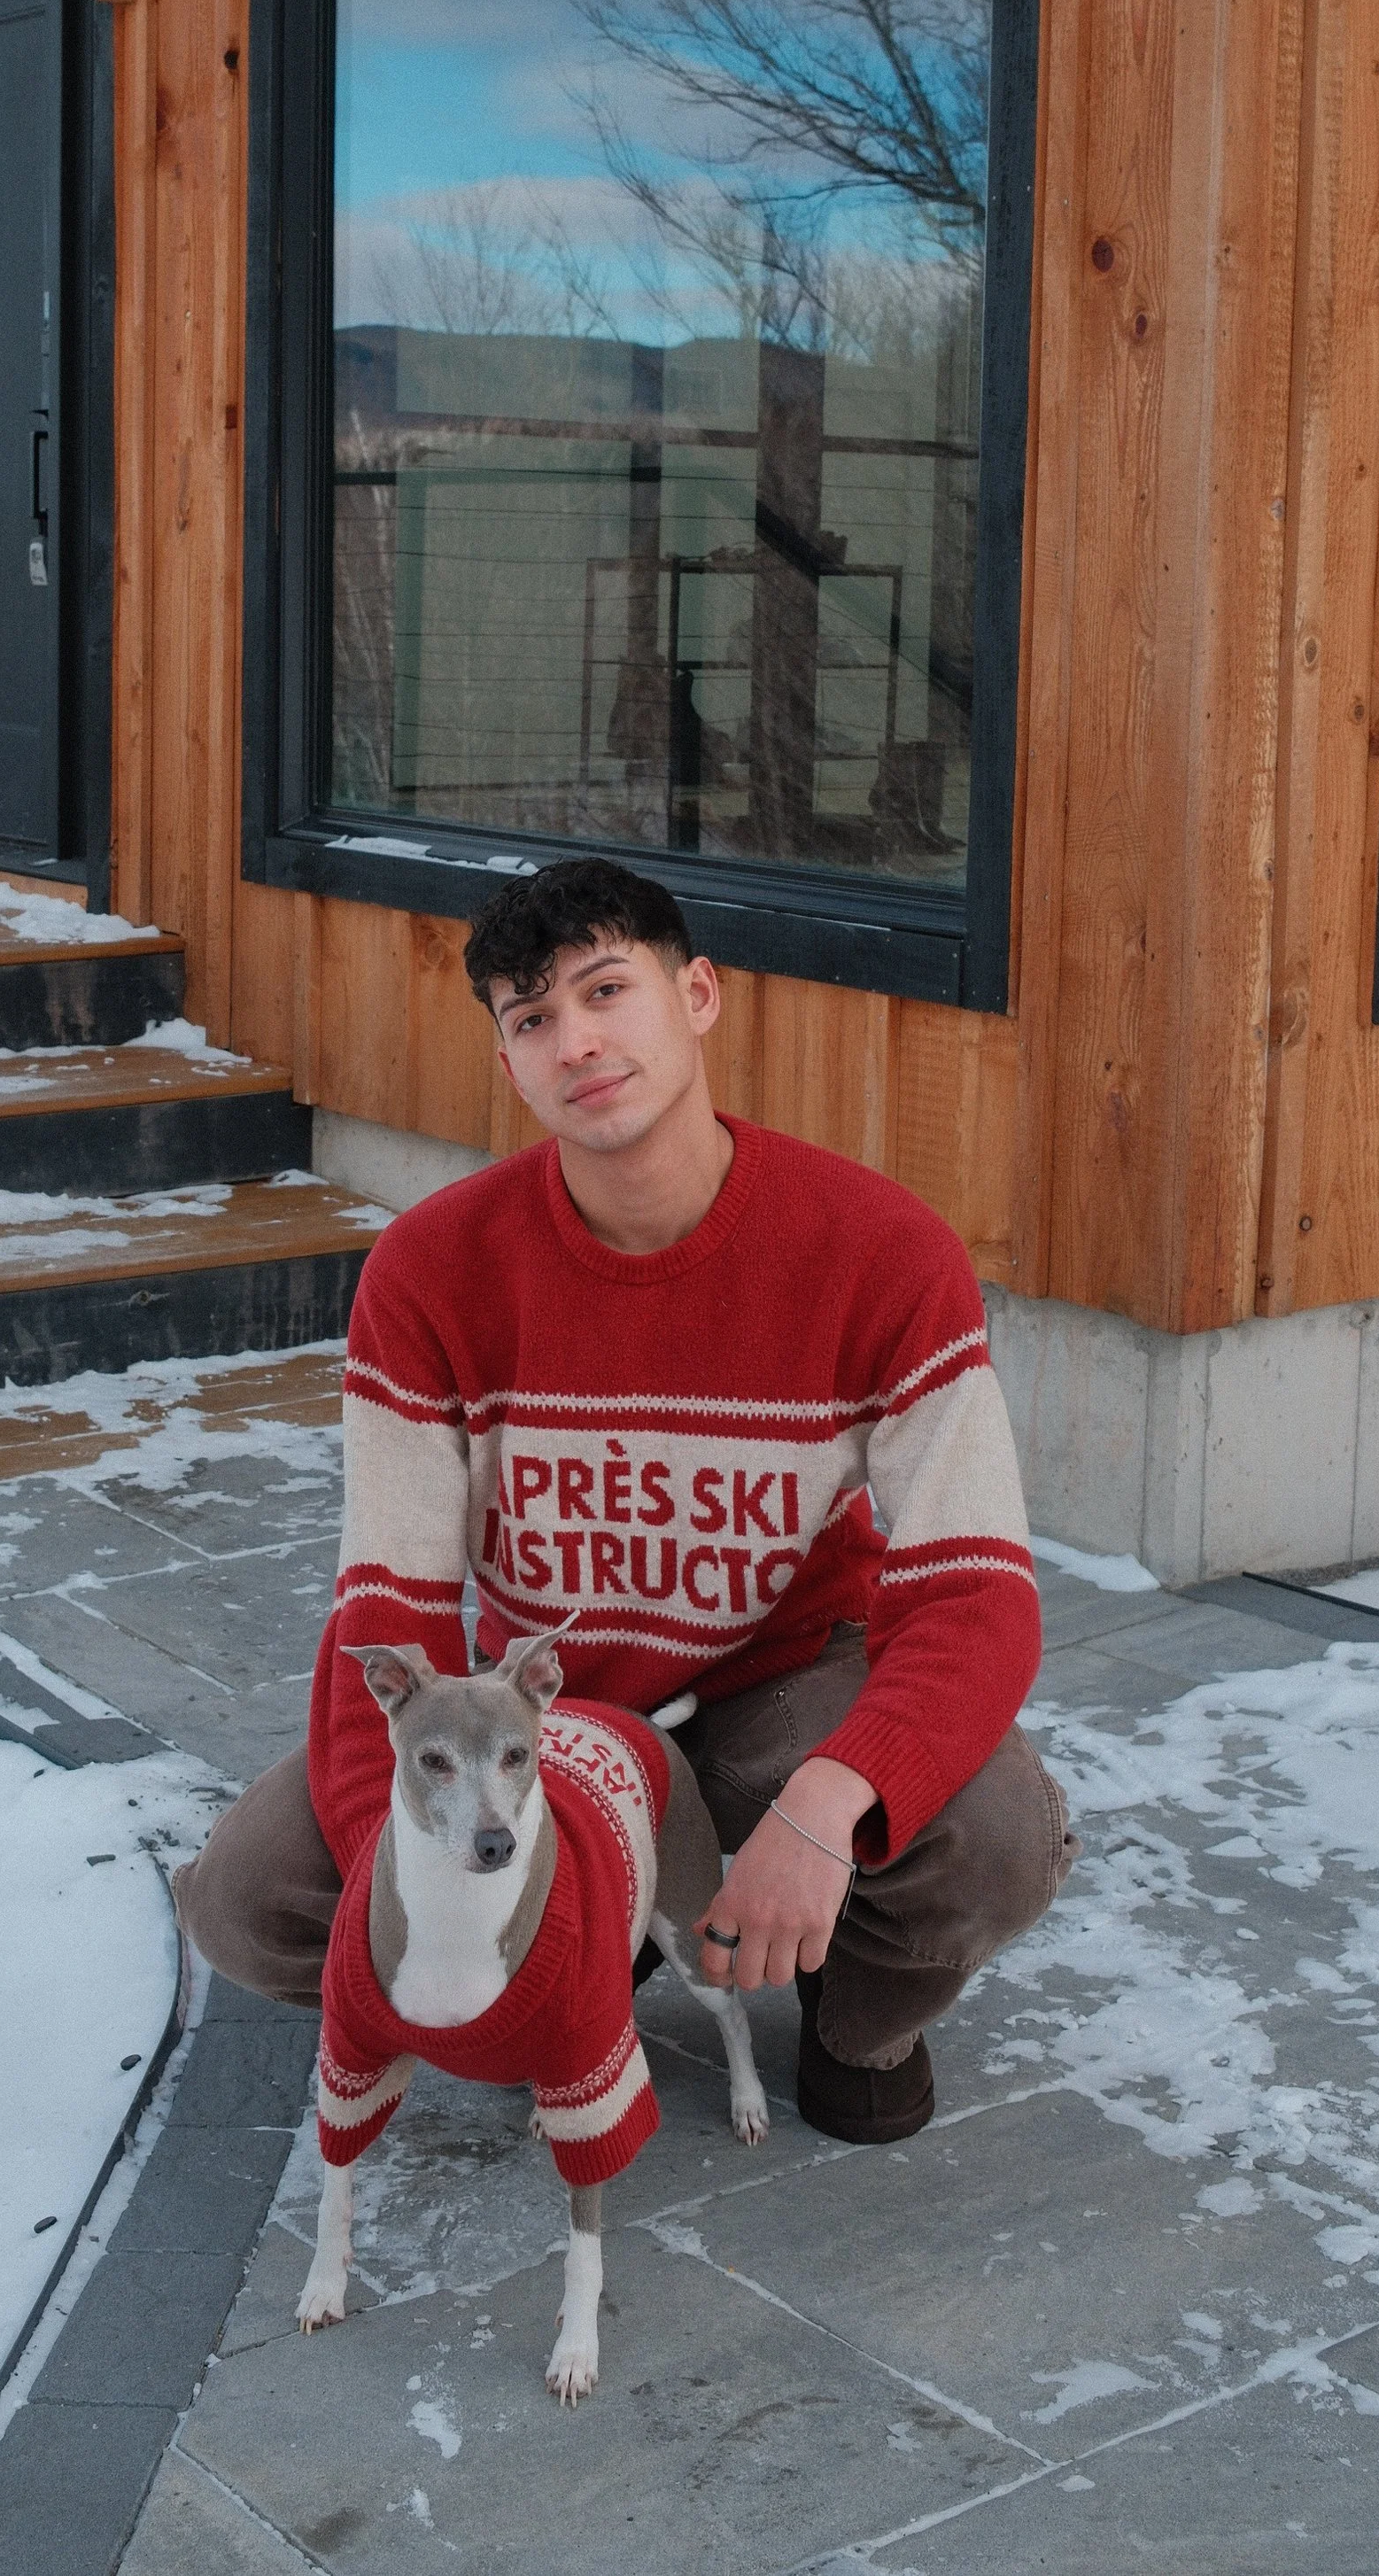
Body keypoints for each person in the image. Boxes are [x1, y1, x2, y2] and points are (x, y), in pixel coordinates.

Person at [177, 856, 1074, 2143]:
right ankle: (588, 1942)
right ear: (509, 1063)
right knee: (248, 1901)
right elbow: (389, 1604)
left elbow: (975, 1593)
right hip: (556, 1714)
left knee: (993, 1835)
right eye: (533, 1017)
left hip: (783, 1689)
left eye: (607, 991)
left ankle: (858, 2013)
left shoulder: (882, 1251)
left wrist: (832, 1806)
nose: (578, 1042)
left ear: (697, 994)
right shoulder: (430, 1272)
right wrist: (424, 1888)